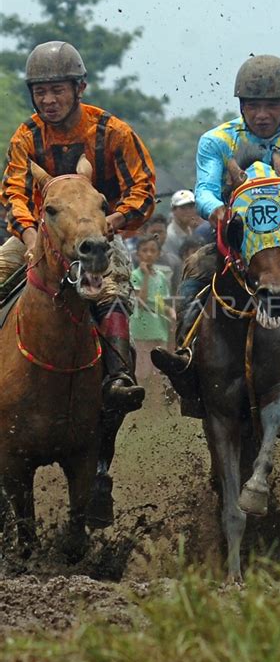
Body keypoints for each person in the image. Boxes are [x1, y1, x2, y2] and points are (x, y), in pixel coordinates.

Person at [152, 54, 280, 413]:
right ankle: (186, 359)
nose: (262, 114)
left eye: (271, 106)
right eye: (253, 106)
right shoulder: (217, 140)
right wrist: (217, 210)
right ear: (241, 105)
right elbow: (204, 188)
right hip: (234, 239)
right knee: (194, 270)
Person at [0, 40, 156, 412]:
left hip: (98, 239)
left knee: (112, 290)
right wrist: (30, 234)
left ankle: (119, 378)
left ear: (79, 89)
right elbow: (13, 193)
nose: (49, 100)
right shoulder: (26, 136)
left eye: (57, 90)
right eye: (41, 92)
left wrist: (113, 221)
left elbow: (144, 187)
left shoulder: (112, 131)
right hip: (38, 235)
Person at [131, 236, 175, 382]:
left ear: (158, 254)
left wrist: (170, 313)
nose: (149, 254)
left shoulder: (161, 276)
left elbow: (160, 302)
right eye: (144, 250)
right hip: (141, 329)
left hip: (159, 328)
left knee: (159, 374)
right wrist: (146, 277)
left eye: (153, 251)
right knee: (142, 373)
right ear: (138, 254)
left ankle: (157, 404)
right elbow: (140, 301)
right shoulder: (134, 275)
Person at [162, 190, 199, 260]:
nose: (188, 211)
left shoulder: (192, 230)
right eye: (183, 208)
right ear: (173, 210)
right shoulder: (169, 236)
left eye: (191, 207)